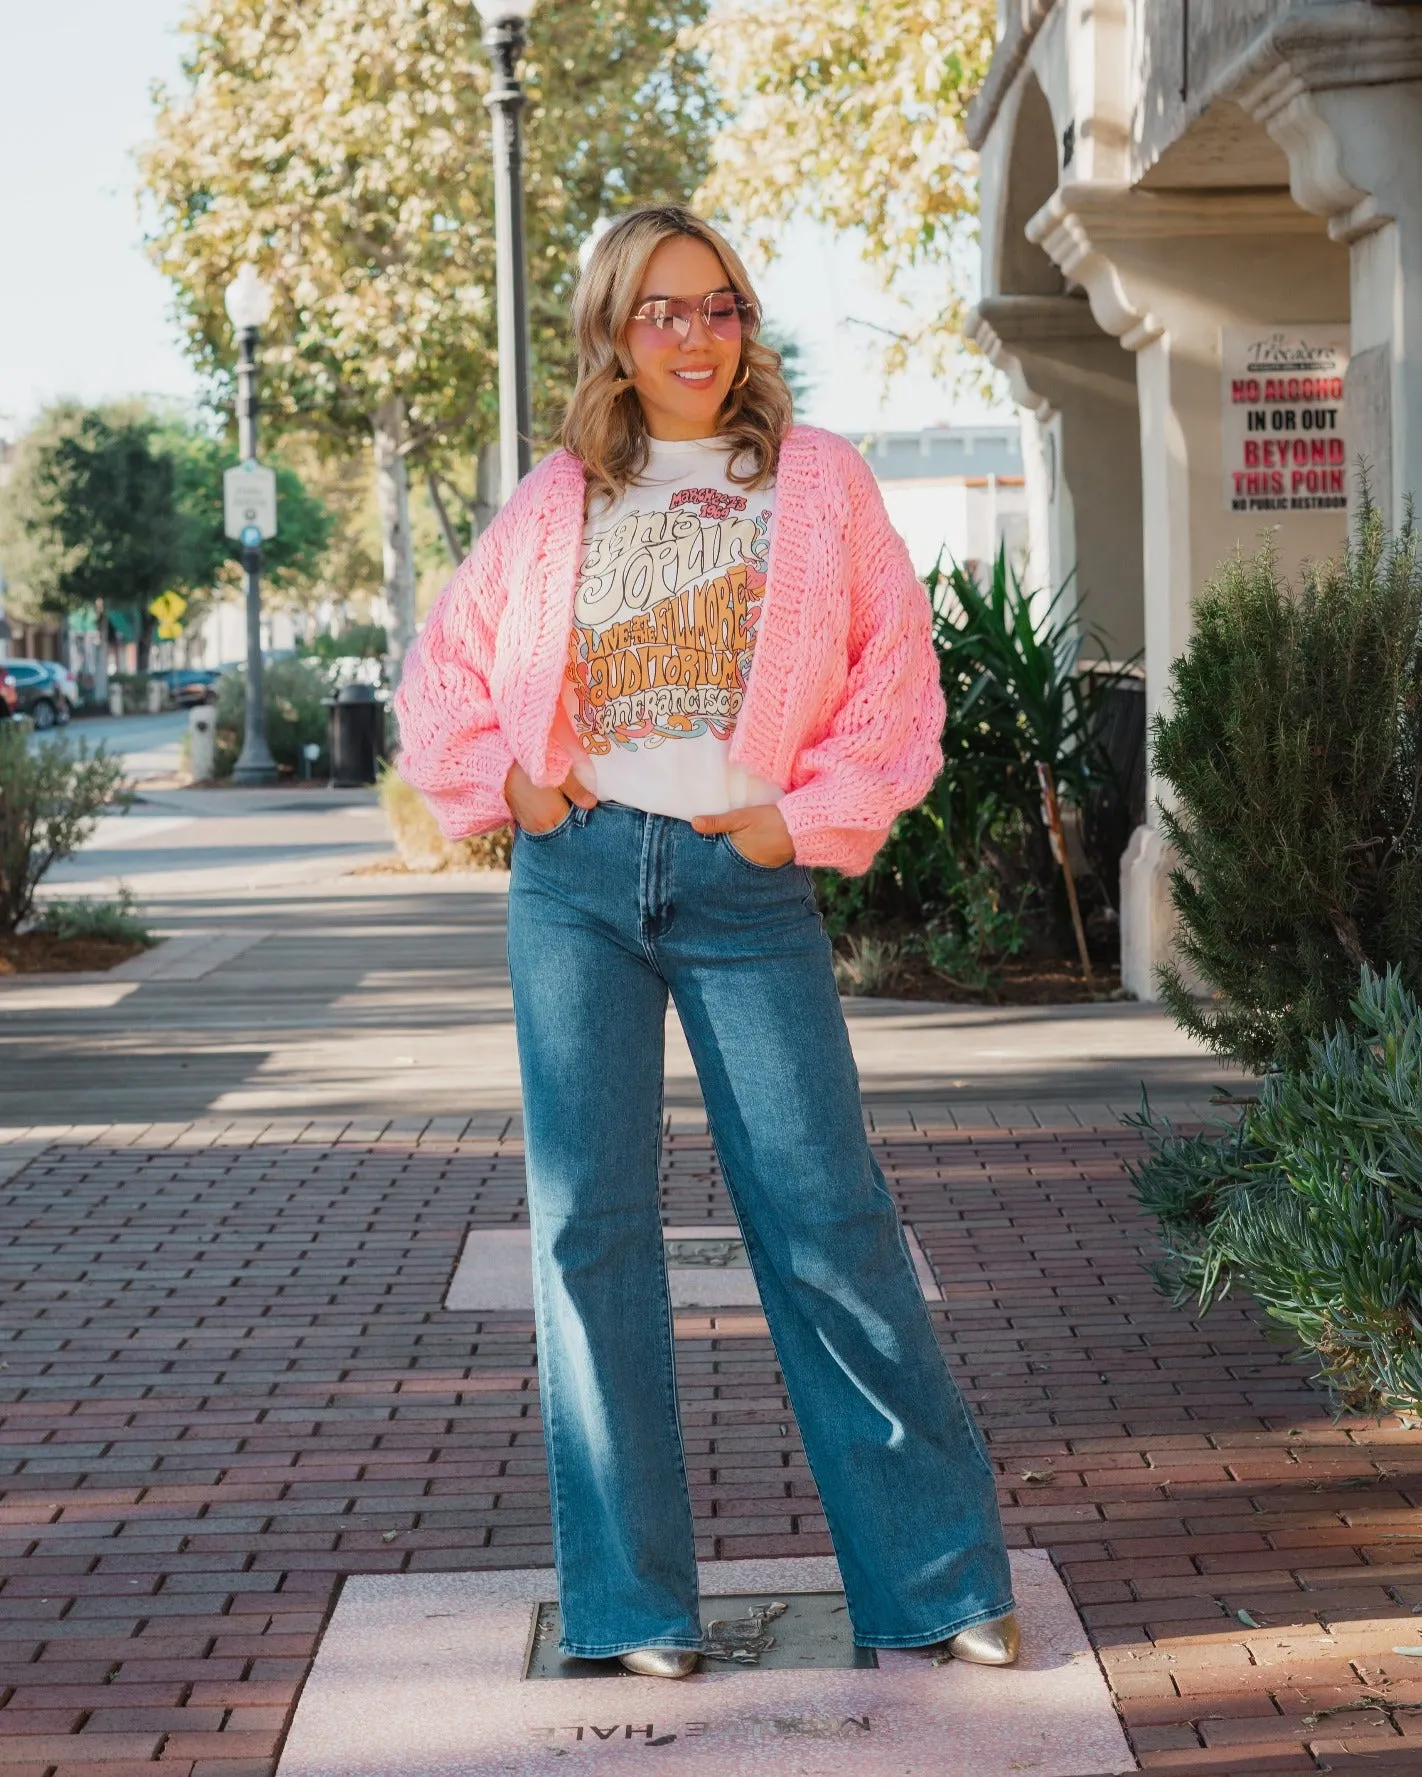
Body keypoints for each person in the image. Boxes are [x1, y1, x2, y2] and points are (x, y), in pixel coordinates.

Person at [393, 205, 1017, 1679]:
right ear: (614, 332)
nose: (692, 336)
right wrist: (511, 787)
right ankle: (627, 1607)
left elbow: (892, 680)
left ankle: (934, 1582)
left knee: (828, 1218)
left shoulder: (816, 483)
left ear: (747, 324)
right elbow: (448, 673)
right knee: (586, 1233)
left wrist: (798, 820)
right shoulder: (555, 499)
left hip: (746, 886)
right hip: (577, 881)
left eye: (718, 306)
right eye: (659, 311)